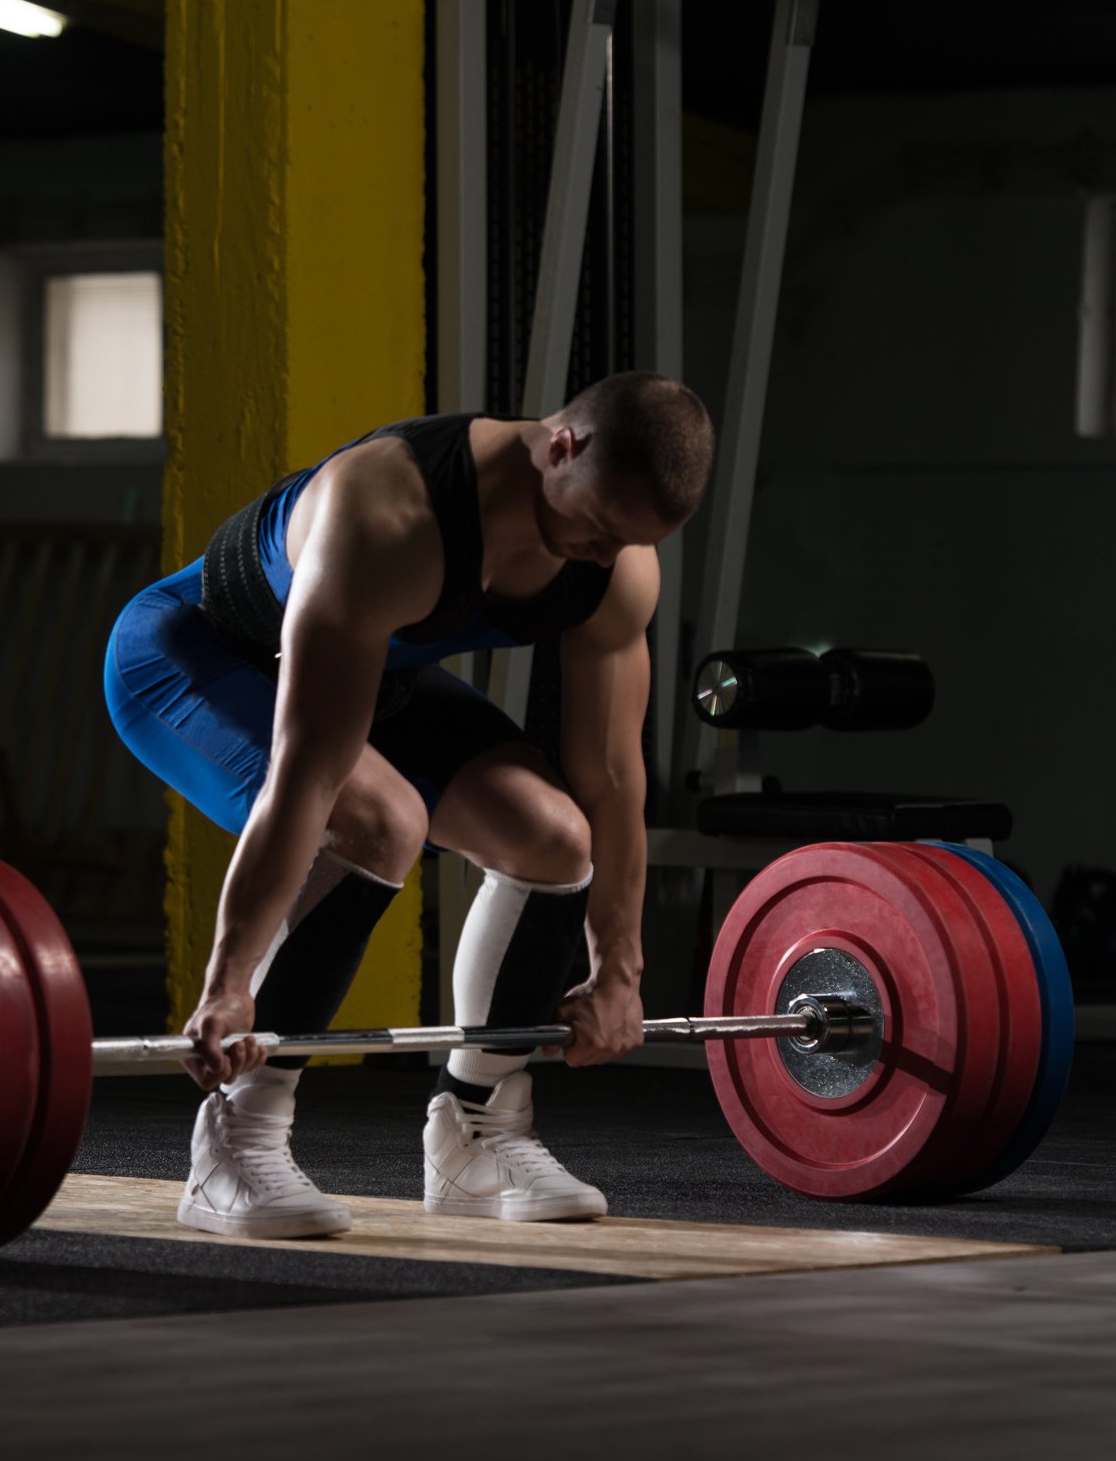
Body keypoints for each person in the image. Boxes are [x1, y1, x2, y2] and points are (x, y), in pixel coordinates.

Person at [102, 371, 713, 1238]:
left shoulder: (614, 568)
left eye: (627, 543)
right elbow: (307, 777)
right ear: (560, 446)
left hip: (368, 678)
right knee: (379, 819)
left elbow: (613, 778)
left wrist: (619, 969)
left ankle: (476, 1131)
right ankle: (235, 1141)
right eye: (597, 527)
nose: (600, 554)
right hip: (193, 659)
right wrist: (228, 983)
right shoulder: (389, 511)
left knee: (554, 837)